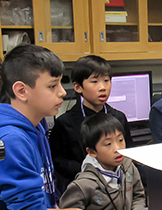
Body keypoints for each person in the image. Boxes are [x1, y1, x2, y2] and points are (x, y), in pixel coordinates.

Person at [0, 44, 88, 210]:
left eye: (60, 83)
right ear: (21, 91)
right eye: (52, 86)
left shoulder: (37, 126)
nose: (62, 92)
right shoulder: (11, 140)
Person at [49, 55, 133, 192]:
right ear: (78, 87)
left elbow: (129, 151)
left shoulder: (118, 117)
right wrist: (87, 171)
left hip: (118, 185)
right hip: (82, 187)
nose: (103, 87)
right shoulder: (65, 122)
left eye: (106, 80)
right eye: (94, 82)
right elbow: (57, 160)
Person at [59, 113, 146, 210]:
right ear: (92, 152)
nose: (117, 148)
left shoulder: (128, 166)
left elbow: (138, 196)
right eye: (108, 144)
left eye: (120, 140)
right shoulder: (84, 184)